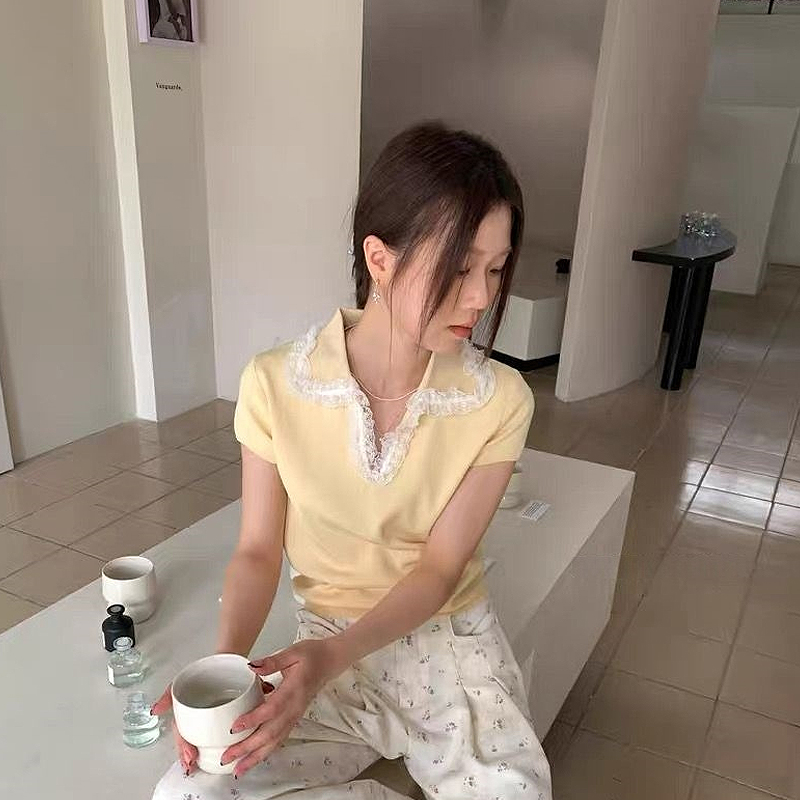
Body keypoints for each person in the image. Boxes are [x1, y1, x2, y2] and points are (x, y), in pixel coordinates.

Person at [151, 121, 552, 799]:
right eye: (460, 268)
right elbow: (258, 550)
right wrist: (223, 674)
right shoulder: (274, 384)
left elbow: (439, 569)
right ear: (380, 259)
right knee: (189, 794)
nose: (483, 297)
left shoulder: (499, 399)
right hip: (322, 647)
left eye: (494, 268)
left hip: (445, 645)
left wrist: (331, 656)